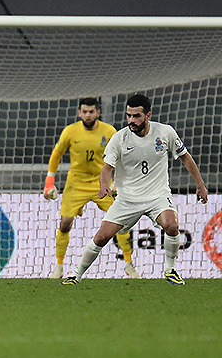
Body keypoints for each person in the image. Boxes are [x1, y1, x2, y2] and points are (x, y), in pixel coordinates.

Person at [62, 94, 208, 285]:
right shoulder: (119, 138)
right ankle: (76, 275)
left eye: (136, 116)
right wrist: (104, 185)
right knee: (102, 237)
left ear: (148, 115)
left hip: (157, 196)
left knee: (171, 226)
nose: (131, 120)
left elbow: (185, 157)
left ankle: (170, 270)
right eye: (129, 115)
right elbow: (106, 169)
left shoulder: (165, 132)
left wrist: (200, 185)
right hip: (127, 199)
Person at [44, 97, 139, 279]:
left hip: (102, 183)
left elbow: (123, 155)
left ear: (98, 113)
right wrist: (49, 181)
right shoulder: (70, 131)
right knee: (65, 224)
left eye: (91, 111)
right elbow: (56, 154)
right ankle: (59, 267)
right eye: (85, 112)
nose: (88, 115)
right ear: (79, 113)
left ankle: (129, 265)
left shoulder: (109, 131)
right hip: (76, 183)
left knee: (120, 221)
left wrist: (118, 180)